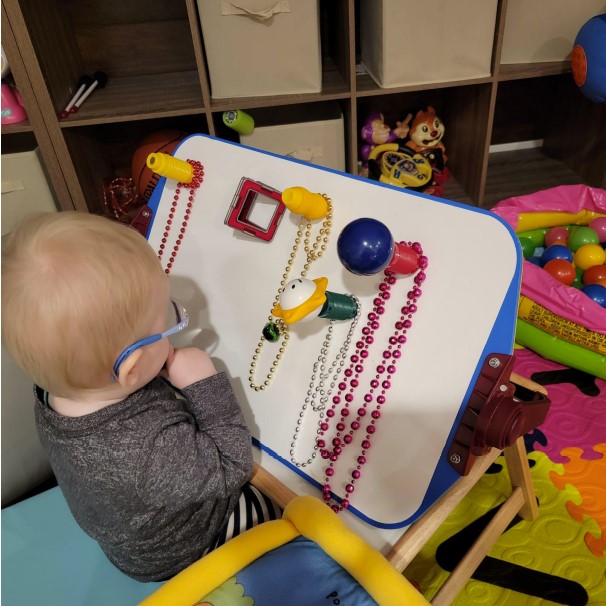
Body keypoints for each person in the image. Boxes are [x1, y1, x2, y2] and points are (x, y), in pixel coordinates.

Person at [1, 211, 280, 582]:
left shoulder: (59, 388)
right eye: (165, 321)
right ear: (130, 370)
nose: (172, 326)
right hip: (188, 546)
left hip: (131, 530)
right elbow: (232, 466)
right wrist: (204, 385)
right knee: (287, 507)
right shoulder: (147, 454)